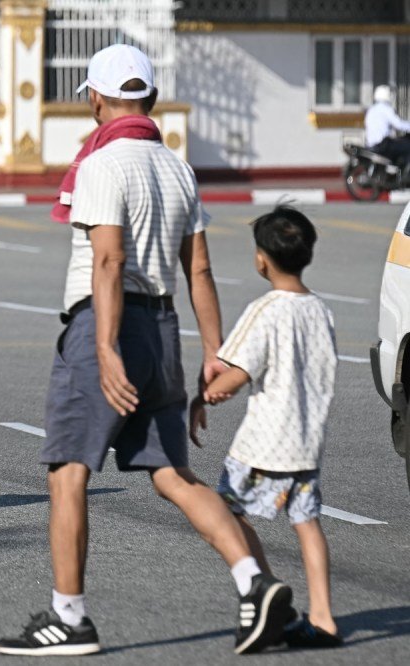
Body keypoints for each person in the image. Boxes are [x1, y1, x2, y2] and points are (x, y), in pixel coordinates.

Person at [0, 44, 293, 657]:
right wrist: (215, 355)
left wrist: (103, 347)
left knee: (69, 469)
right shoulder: (177, 167)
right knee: (172, 475)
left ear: (97, 99)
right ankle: (253, 580)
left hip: (104, 326)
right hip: (164, 330)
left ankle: (69, 617)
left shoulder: (103, 165)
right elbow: (201, 271)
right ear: (150, 100)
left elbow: (108, 260)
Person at [197, 206, 342, 649]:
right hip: (305, 442)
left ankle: (266, 591)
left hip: (262, 445)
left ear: (261, 259)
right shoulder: (321, 311)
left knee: (227, 513)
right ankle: (323, 618)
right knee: (308, 523)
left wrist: (205, 396)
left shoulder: (264, 310)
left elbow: (236, 374)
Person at [364, 84, 410, 167]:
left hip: (370, 144)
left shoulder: (371, 109)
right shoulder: (386, 108)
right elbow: (398, 124)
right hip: (383, 145)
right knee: (407, 146)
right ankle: (401, 171)